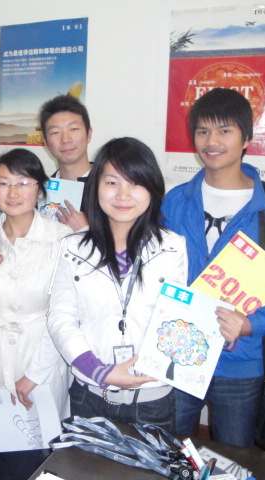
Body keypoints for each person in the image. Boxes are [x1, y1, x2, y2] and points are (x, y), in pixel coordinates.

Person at [161, 87, 265, 447]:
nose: (212, 141)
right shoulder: (175, 201)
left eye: (225, 130)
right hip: (178, 352)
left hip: (240, 361)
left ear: (246, 138)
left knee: (232, 459)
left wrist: (251, 324)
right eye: (203, 131)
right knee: (168, 451)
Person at [47, 137, 187, 428]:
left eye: (135, 183)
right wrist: (99, 371)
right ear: (96, 187)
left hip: (151, 398)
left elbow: (179, 320)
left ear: (152, 188)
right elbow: (61, 318)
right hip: (90, 394)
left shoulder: (173, 247)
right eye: (112, 182)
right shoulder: (73, 248)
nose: (123, 195)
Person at [0, 149, 72, 480]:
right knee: (6, 457)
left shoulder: (62, 240)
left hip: (42, 360)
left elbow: (66, 315)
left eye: (23, 183)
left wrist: (35, 374)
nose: (12, 192)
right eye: (3, 183)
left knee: (41, 456)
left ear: (40, 189)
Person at [39, 95, 93, 231]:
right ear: (45, 142)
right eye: (55, 132)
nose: (65, 139)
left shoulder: (110, 186)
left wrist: (86, 230)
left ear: (89, 134)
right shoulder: (41, 192)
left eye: (73, 129)